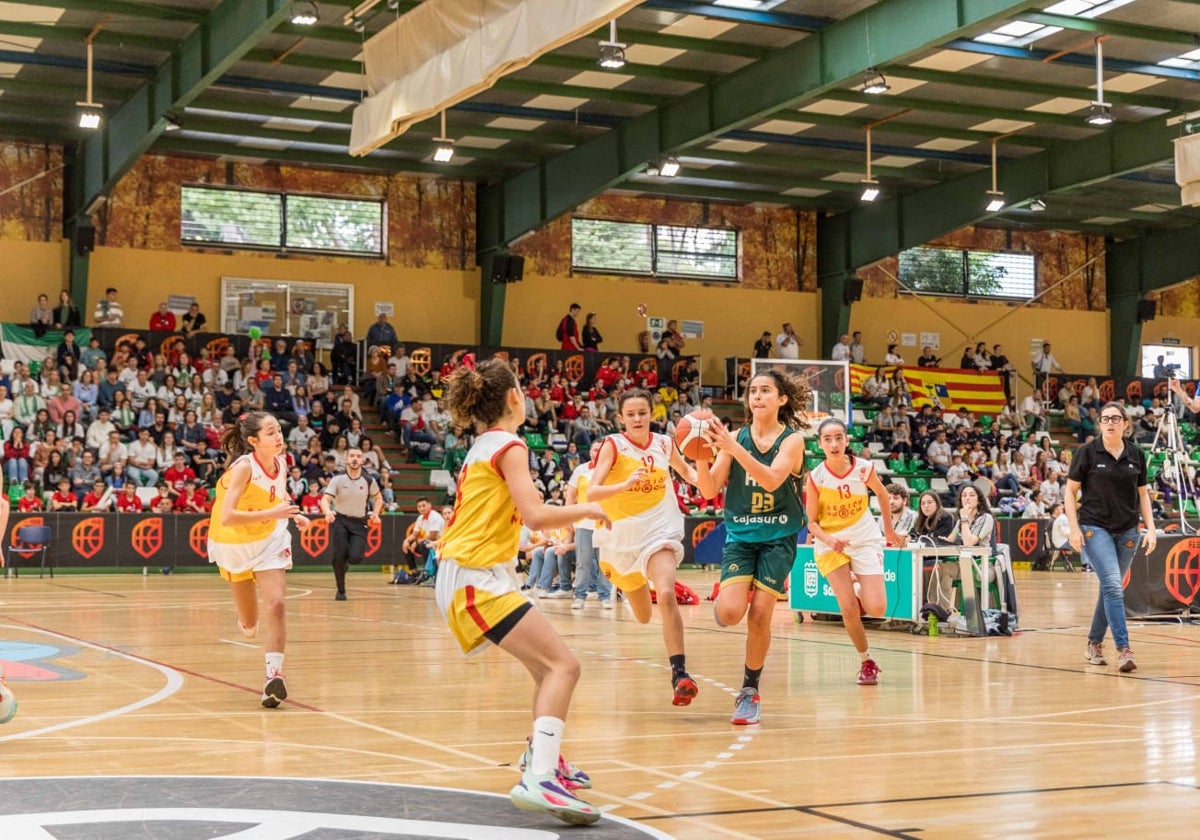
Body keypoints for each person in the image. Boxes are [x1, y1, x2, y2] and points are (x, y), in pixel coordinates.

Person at [437, 357, 608, 824]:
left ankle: (541, 759)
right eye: (523, 388)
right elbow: (534, 514)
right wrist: (585, 512)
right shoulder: (511, 445)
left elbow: (511, 515)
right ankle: (540, 778)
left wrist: (581, 510)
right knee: (564, 666)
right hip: (474, 578)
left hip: (472, 573)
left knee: (546, 669)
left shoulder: (485, 443)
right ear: (514, 397)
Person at [695, 369, 809, 725]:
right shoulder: (734, 438)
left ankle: (749, 690)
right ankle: (728, 603)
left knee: (760, 615)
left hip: (778, 537)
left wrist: (732, 448)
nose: (757, 397)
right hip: (742, 535)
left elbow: (773, 479)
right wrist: (700, 453)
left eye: (765, 391)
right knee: (731, 614)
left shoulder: (793, 441)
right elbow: (709, 489)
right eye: (752, 391)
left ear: (782, 399)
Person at [588, 387, 701, 707]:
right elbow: (593, 492)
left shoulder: (665, 443)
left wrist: (708, 463)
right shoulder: (613, 445)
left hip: (658, 530)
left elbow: (690, 474)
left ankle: (679, 674)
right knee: (641, 615)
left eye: (643, 412)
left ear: (652, 414)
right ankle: (631, 585)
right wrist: (625, 484)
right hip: (621, 539)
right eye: (631, 414)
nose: (637, 418)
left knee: (666, 593)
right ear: (620, 418)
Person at [207, 411, 313, 708]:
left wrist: (294, 514)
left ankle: (272, 678)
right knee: (250, 626)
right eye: (270, 432)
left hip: (269, 538)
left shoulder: (280, 463)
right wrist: (275, 513)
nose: (278, 436)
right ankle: (245, 618)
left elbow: (275, 499)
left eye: (279, 430)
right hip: (233, 541)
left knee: (278, 604)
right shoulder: (244, 468)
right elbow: (228, 516)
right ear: (254, 441)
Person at [804, 418, 898, 685]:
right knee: (847, 609)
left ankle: (859, 589)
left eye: (838, 438)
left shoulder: (864, 468)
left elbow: (882, 495)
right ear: (820, 444)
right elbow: (811, 522)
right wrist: (828, 539)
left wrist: (889, 531)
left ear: (847, 440)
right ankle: (866, 661)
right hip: (830, 544)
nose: (834, 444)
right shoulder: (816, 477)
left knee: (877, 609)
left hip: (864, 538)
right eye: (827, 439)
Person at [1066, 402, 1155, 674]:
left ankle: (1093, 643)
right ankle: (1124, 649)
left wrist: (1150, 528)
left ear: (1125, 423)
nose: (1111, 423)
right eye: (1105, 419)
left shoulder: (1136, 455)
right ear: (1100, 423)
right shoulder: (1087, 453)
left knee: (1110, 587)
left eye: (1116, 418)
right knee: (1114, 586)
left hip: (1128, 530)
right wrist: (1073, 527)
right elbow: (1070, 492)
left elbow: (1143, 495)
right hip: (1095, 528)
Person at [319, 446, 382, 601]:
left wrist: (375, 514)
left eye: (358, 456)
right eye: (352, 456)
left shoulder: (369, 480)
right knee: (338, 557)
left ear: (362, 460)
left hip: (360, 522)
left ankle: (345, 563)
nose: (355, 459)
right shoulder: (338, 479)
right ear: (346, 459)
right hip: (340, 519)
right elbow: (325, 500)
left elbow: (378, 497)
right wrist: (327, 512)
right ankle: (341, 590)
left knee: (356, 558)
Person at [928, 485, 996, 613]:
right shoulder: (960, 521)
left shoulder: (986, 518)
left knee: (944, 569)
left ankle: (941, 611)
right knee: (938, 569)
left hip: (982, 565)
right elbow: (950, 540)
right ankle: (937, 609)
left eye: (971, 495)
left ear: (979, 500)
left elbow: (969, 542)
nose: (967, 498)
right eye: (964, 495)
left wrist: (964, 518)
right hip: (963, 563)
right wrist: (936, 539)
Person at [564, 441, 614, 610]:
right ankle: (579, 596)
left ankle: (605, 596)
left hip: (605, 524)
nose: (597, 452)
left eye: (601, 449)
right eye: (594, 449)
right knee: (583, 561)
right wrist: (567, 517)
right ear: (590, 451)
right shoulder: (581, 470)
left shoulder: (611, 469)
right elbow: (571, 494)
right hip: (584, 523)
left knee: (604, 562)